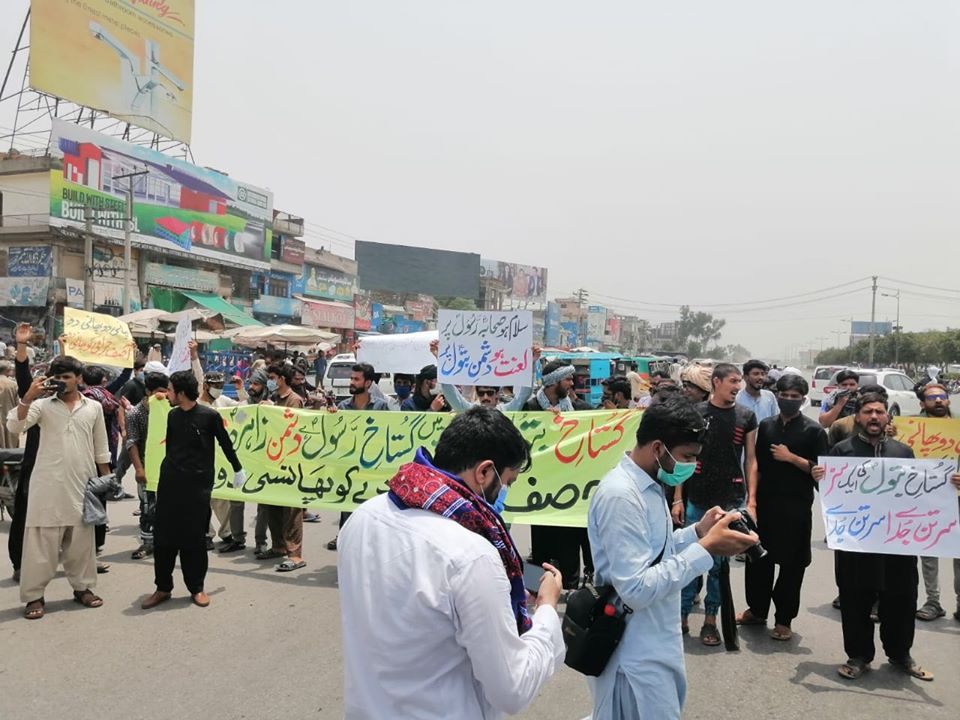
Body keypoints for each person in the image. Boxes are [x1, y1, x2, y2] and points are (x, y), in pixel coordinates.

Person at [338, 406, 566, 718]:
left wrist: (493, 598)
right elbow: (512, 689)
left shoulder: (364, 516)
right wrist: (547, 612)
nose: (505, 492)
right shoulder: (471, 555)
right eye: (508, 481)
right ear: (484, 472)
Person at [588, 396, 760, 719]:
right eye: (687, 457)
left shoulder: (649, 487)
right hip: (633, 656)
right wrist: (706, 549)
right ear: (657, 448)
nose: (692, 466)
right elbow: (635, 588)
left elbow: (658, 552)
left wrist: (698, 532)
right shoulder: (621, 496)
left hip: (655, 644)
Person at [812, 392, 939, 681]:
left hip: (897, 544)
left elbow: (920, 493)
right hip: (857, 544)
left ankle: (900, 654)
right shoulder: (842, 452)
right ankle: (858, 656)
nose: (873, 417)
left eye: (879, 412)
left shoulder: (903, 452)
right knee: (855, 599)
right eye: (868, 412)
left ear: (887, 417)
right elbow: (830, 498)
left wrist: (947, 484)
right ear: (858, 417)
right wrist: (820, 479)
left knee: (902, 599)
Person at [7, 356, 112, 620]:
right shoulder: (42, 405)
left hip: (81, 484)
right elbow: (15, 425)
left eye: (67, 377)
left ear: (79, 378)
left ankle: (83, 588)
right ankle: (34, 596)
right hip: (47, 485)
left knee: (80, 542)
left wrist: (107, 480)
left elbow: (101, 446)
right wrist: (28, 396)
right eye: (58, 377)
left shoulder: (94, 407)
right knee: (40, 544)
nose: (62, 382)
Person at [141, 370, 244, 610]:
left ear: (181, 392)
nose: (166, 394)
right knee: (163, 539)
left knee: (194, 541)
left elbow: (225, 444)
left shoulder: (209, 416)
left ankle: (196, 587)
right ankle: (163, 587)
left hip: (197, 489)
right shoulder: (173, 416)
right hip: (170, 486)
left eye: (169, 390)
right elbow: (170, 448)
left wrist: (238, 469)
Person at [737, 374, 827, 641]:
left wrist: (793, 459)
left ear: (802, 398)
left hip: (796, 509)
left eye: (794, 396)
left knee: (792, 567)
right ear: (777, 395)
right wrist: (750, 499)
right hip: (764, 506)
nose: (788, 400)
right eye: (784, 395)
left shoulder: (814, 431)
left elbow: (824, 475)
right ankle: (756, 610)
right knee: (758, 561)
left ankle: (784, 620)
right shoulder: (765, 426)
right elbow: (755, 465)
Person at [676, 363, 758, 645]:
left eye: (739, 382)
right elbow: (682, 457)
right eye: (733, 381)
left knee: (718, 566)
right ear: (716, 382)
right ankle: (682, 615)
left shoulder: (746, 416)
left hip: (731, 499)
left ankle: (711, 619)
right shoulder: (697, 414)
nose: (737, 386)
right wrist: (677, 498)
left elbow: (751, 460)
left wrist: (752, 500)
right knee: (689, 559)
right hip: (697, 499)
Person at [525, 360, 593, 588]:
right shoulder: (530, 408)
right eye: (568, 379)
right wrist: (544, 422)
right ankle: (535, 590)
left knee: (569, 542)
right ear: (554, 382)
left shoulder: (578, 410)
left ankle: (570, 588)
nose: (572, 383)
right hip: (540, 489)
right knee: (540, 543)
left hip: (568, 488)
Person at [324, 363, 391, 551]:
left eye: (356, 379)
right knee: (348, 517)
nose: (351, 382)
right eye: (351, 378)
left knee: (372, 519)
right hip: (348, 472)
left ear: (368, 383)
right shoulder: (342, 407)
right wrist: (330, 419)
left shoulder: (381, 407)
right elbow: (332, 436)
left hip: (371, 472)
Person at [913, 383, 959, 622]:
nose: (938, 401)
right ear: (923, 404)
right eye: (932, 398)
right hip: (926, 499)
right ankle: (933, 602)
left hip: (957, 498)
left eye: (942, 397)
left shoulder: (958, 427)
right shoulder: (909, 428)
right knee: (928, 552)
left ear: (948, 400)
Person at [197, 371, 248, 553]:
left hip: (223, 458)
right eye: (215, 386)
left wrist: (241, 390)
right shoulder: (197, 403)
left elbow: (243, 411)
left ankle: (226, 532)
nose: (218, 390)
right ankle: (206, 534)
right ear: (205, 386)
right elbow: (197, 372)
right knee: (202, 500)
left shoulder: (223, 402)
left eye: (220, 386)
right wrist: (195, 356)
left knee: (222, 499)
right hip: (202, 457)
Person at [264, 364, 307, 571]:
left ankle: (295, 554)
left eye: (272, 377)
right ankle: (279, 546)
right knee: (272, 505)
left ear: (281, 378)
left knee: (291, 510)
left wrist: (272, 411)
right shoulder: (274, 399)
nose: (270, 380)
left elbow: (295, 430)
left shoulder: (294, 400)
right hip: (274, 461)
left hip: (290, 462)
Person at [125, 372, 170, 560]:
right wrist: (139, 469)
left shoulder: (170, 408)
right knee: (147, 505)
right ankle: (148, 543)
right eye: (159, 391)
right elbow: (131, 442)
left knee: (168, 506)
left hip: (169, 466)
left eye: (166, 391)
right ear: (148, 391)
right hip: (147, 467)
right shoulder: (136, 413)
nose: (163, 395)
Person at [7, 323, 39, 582]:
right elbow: (23, 376)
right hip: (34, 467)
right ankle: (20, 563)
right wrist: (21, 345)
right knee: (24, 514)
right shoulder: (39, 405)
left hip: (63, 471)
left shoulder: (80, 406)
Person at [0, 360, 18, 448]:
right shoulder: (13, 384)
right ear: (7, 370)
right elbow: (18, 403)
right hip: (9, 416)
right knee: (10, 444)